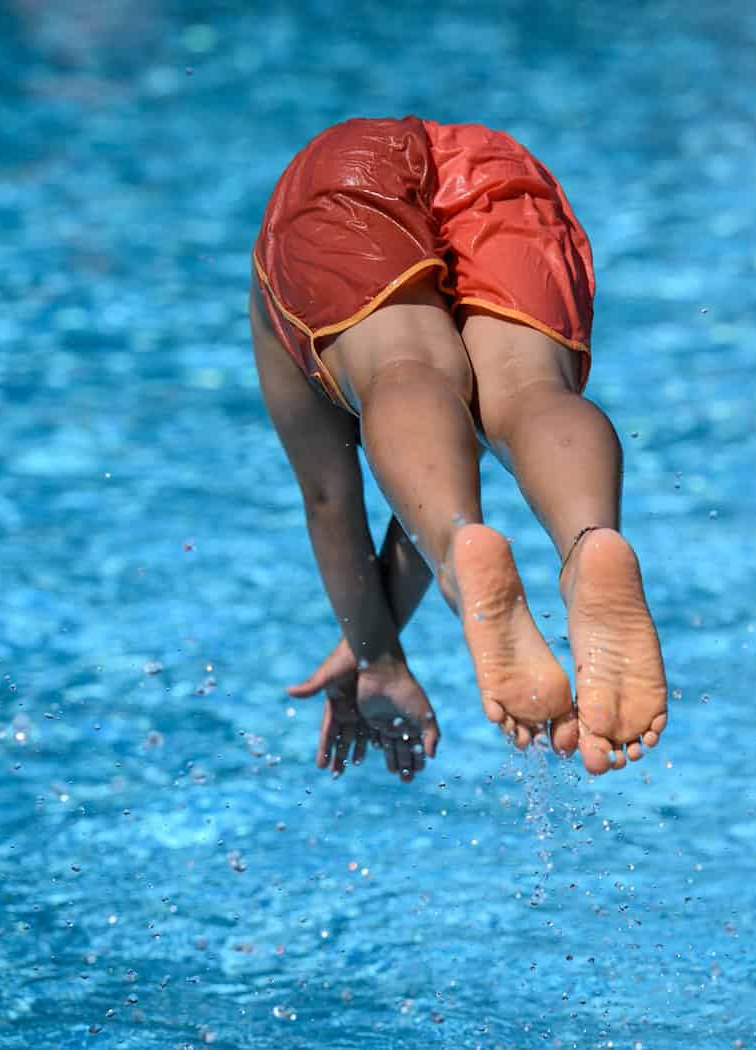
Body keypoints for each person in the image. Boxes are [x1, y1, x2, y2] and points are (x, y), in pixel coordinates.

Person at [250, 116, 667, 781]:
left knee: (400, 367)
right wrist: (377, 630)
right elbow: (450, 454)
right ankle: (589, 542)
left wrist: (379, 655)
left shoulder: (278, 300)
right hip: (496, 161)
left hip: (342, 169)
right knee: (530, 392)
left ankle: (455, 546)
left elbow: (331, 500)